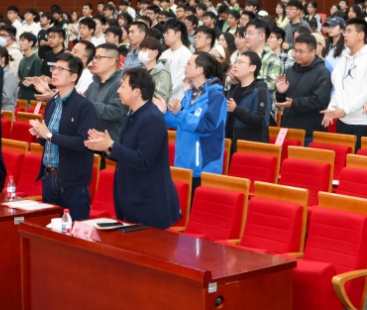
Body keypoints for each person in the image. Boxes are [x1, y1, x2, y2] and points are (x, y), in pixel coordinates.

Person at [86, 69, 181, 226]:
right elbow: (127, 152)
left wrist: (111, 145)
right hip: (132, 199)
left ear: (136, 92)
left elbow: (143, 160)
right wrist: (106, 147)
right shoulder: (134, 115)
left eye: (123, 86)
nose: (118, 90)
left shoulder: (152, 118)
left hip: (149, 203)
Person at [29, 54, 97, 218]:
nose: (54, 72)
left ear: (74, 76)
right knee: (49, 228)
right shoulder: (52, 103)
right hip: (49, 177)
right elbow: (48, 141)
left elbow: (84, 143)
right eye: (54, 68)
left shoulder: (84, 106)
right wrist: (40, 135)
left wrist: (49, 135)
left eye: (60, 69)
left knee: (73, 230)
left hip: (72, 182)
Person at [162, 52, 227, 184]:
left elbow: (207, 126)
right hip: (183, 163)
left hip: (203, 167)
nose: (185, 67)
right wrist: (165, 112)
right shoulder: (190, 94)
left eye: (189, 64)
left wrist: (180, 113)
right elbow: (180, 123)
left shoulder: (216, 97)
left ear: (200, 70)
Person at [321, 17, 367, 147]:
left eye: (349, 31)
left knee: (357, 159)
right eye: (345, 31)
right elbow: (338, 89)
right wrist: (331, 109)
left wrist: (345, 110)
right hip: (343, 121)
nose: (345, 35)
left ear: (361, 35)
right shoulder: (344, 58)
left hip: (363, 122)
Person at [273, 34, 332, 142]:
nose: (297, 54)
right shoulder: (290, 70)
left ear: (313, 52)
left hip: (309, 132)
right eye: (295, 51)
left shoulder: (322, 73)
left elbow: (320, 100)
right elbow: (283, 101)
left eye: (301, 51)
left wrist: (294, 103)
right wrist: (281, 93)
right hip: (288, 128)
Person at [226, 50, 270, 145]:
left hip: (251, 145)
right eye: (236, 62)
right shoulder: (236, 87)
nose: (235, 66)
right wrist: (233, 84)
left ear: (252, 68)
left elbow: (260, 120)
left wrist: (236, 109)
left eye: (240, 62)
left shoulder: (259, 91)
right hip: (231, 143)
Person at [85, 42, 125, 145]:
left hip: (110, 145)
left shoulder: (121, 84)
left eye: (98, 57)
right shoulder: (93, 84)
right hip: (91, 141)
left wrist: (86, 104)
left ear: (112, 61)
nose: (94, 61)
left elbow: (115, 111)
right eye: (94, 57)